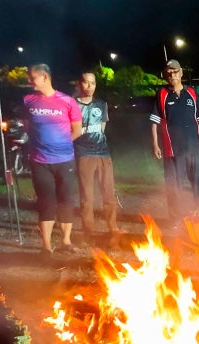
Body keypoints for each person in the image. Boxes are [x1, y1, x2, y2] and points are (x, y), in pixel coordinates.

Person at [24, 63, 83, 257]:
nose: (30, 81)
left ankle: (66, 241)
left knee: (66, 200)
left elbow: (77, 129)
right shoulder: (28, 101)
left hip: (65, 160)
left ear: (45, 78)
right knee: (46, 202)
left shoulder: (67, 101)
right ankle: (46, 246)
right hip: (40, 161)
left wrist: (61, 145)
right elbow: (27, 127)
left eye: (33, 78)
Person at [151, 59, 199, 228]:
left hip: (195, 148)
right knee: (173, 187)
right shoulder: (162, 94)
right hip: (172, 150)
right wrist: (155, 144)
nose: (172, 75)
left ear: (181, 73)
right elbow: (155, 121)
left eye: (175, 72)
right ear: (166, 75)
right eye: (169, 73)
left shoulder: (192, 93)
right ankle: (176, 219)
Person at [75, 71, 122, 246]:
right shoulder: (72, 105)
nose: (90, 87)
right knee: (87, 197)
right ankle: (88, 232)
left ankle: (113, 227)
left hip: (103, 153)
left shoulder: (102, 104)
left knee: (108, 193)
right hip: (84, 154)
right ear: (79, 84)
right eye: (86, 83)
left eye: (93, 83)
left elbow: (101, 128)